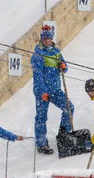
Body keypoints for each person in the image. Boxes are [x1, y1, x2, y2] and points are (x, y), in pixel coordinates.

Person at [31, 26, 73, 155]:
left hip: (55, 90)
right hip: (42, 92)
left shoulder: (56, 52)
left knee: (69, 108)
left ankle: (64, 134)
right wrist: (43, 92)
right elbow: (38, 76)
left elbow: (64, 67)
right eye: (45, 38)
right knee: (41, 117)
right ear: (42, 39)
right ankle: (41, 143)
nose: (47, 40)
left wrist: (63, 66)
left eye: (49, 38)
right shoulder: (37, 55)